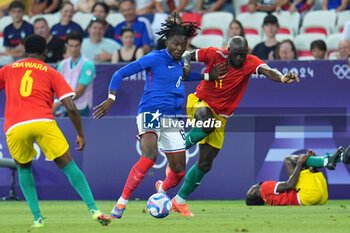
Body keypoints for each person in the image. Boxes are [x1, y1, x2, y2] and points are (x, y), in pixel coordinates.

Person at [93, 17, 222, 219]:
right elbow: (120, 73)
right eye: (175, 44)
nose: (180, 48)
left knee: (179, 172)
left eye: (183, 45)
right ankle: (121, 203)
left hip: (172, 118)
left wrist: (207, 77)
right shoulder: (154, 57)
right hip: (151, 112)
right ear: (166, 43)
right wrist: (111, 98)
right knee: (149, 157)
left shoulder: (180, 63)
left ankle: (161, 189)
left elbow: (183, 76)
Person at [171, 36, 299, 216]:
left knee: (205, 164)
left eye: (242, 55)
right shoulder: (214, 54)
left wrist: (282, 77)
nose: (239, 59)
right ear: (229, 50)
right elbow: (186, 55)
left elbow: (268, 70)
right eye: (236, 55)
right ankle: (175, 149)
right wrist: (186, 66)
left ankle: (178, 201)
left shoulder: (249, 62)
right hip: (200, 102)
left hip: (221, 116)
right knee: (208, 123)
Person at [0, 34, 110, 228]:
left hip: (15, 125)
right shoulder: (50, 71)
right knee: (68, 164)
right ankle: (94, 209)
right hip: (43, 121)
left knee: (24, 168)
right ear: (45, 53)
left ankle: (37, 219)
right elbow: (71, 107)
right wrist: (81, 135)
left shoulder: (8, 69)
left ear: (25, 52)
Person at [246, 146, 350, 206]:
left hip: (319, 197)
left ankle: (331, 160)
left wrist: (312, 162)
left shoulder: (269, 199)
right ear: (253, 192)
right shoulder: (263, 188)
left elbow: (300, 180)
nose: (252, 187)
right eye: (250, 190)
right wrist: (300, 163)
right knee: (289, 160)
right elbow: (290, 185)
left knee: (304, 165)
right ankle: (330, 160)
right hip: (307, 195)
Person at [53, 32, 95, 116]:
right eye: (71, 46)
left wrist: (58, 103)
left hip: (81, 107)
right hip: (65, 108)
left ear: (81, 46)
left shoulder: (87, 64)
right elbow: (57, 87)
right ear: (67, 46)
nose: (74, 49)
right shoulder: (62, 65)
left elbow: (79, 91)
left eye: (77, 46)